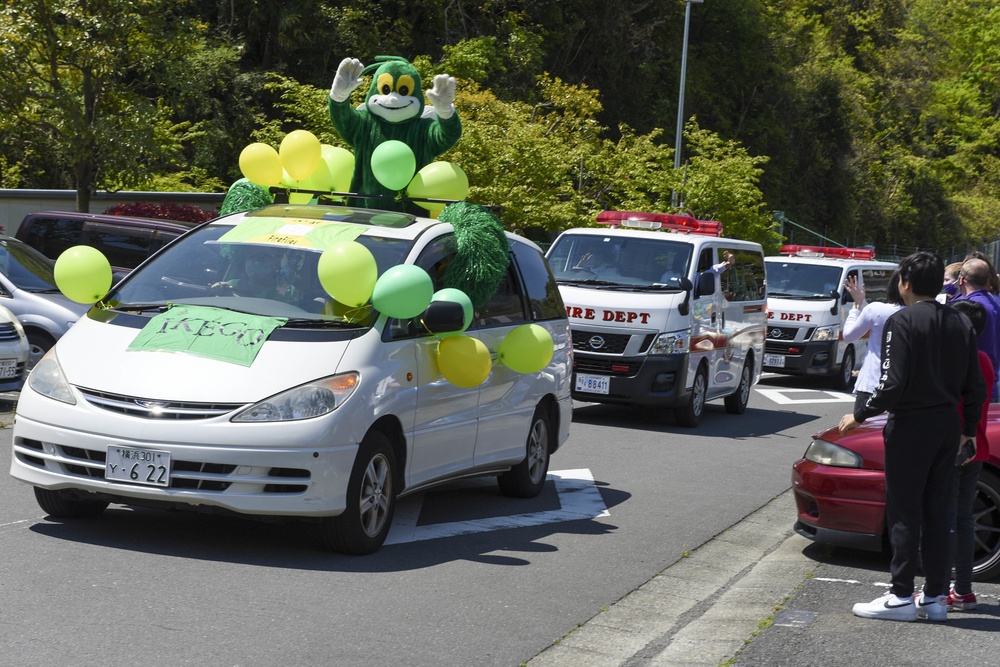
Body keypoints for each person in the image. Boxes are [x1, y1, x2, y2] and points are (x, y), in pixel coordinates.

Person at [839, 251, 986, 623]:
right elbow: (976, 386)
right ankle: (935, 597)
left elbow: (892, 382)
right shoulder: (960, 323)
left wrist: (859, 414)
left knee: (905, 512)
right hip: (948, 428)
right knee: (939, 512)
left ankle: (901, 594)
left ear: (905, 281)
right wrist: (967, 431)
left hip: (910, 426)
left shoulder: (901, 321)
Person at [945, 298, 993, 612]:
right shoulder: (985, 360)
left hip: (949, 449)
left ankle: (938, 588)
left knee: (943, 520)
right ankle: (962, 589)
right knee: (963, 521)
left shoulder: (948, 362)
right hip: (976, 448)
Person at [843, 270, 904, 412]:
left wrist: (856, 306)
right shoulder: (921, 314)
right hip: (903, 388)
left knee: (863, 430)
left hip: (872, 383)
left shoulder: (876, 309)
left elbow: (849, 336)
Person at [952, 257, 1000, 400]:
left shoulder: (967, 308)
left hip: (969, 386)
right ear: (987, 280)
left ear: (961, 280)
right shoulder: (995, 303)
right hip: (990, 380)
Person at [212, 246, 300, 301]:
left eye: (262, 257)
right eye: (250, 256)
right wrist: (219, 290)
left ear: (277, 262)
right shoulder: (233, 283)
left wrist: (235, 298)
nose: (254, 261)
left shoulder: (285, 290)